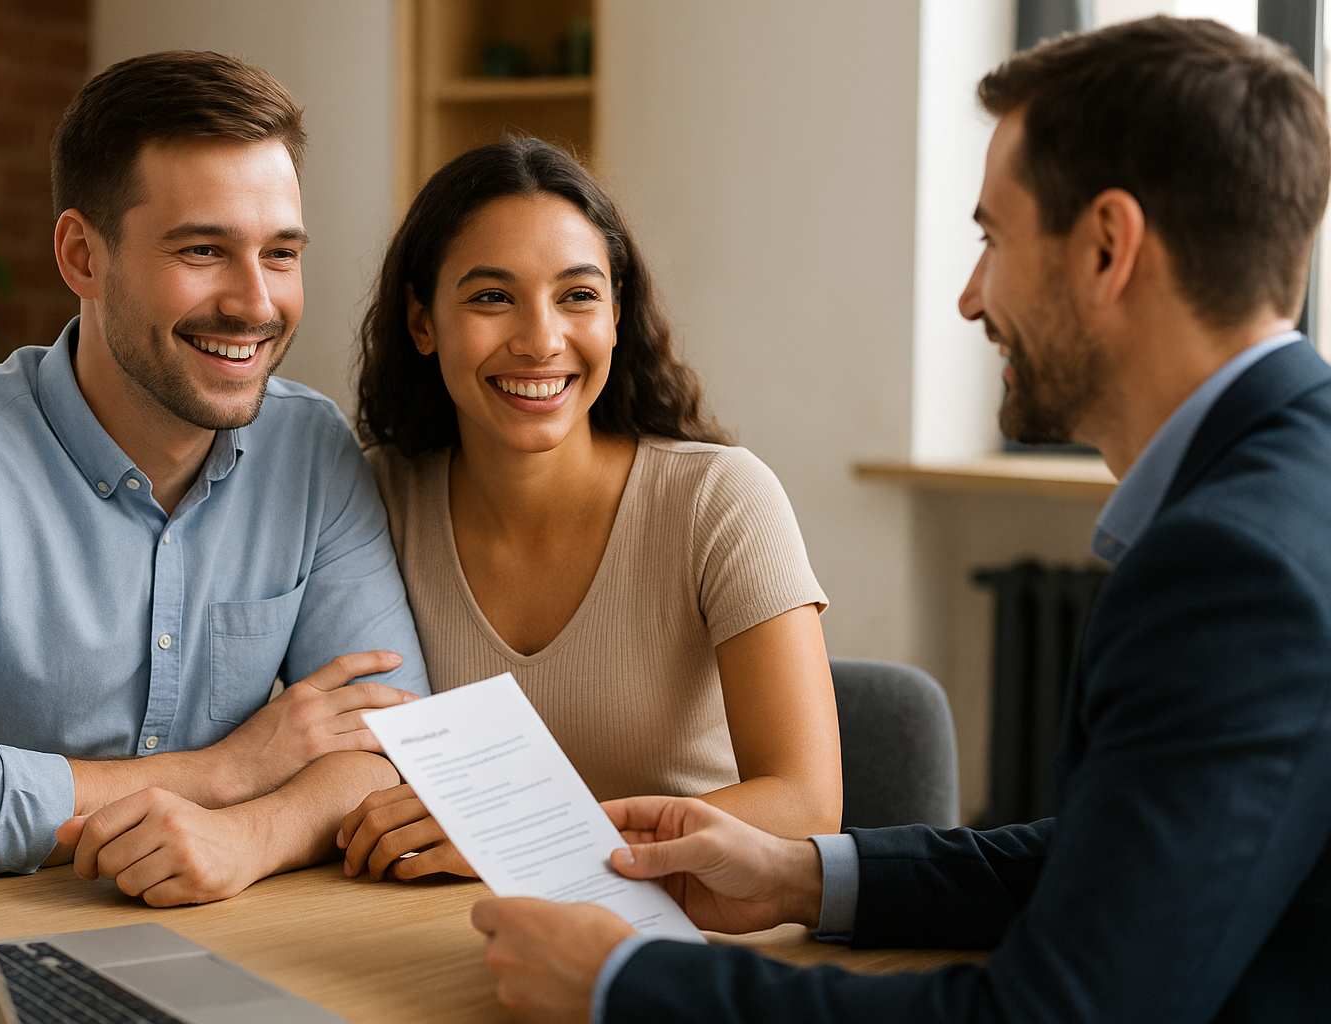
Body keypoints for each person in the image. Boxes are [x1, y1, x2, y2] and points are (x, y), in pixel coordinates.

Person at [470, 17, 1331, 1023]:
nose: (971, 298)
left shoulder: (1236, 568)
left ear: (1107, 248)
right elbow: (1130, 866)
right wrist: (800, 877)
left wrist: (625, 984)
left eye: (991, 239)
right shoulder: (1286, 491)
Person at [0, 51, 429, 909]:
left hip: (219, 923)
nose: (255, 303)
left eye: (280, 253)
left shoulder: (309, 445)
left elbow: (396, 744)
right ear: (81, 257)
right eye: (203, 249)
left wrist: (251, 834)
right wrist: (227, 772)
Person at [336, 138, 842, 882]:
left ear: (615, 314)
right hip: (442, 927)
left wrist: (524, 832)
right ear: (422, 321)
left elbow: (805, 805)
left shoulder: (720, 499)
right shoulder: (371, 501)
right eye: (490, 297)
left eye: (577, 295)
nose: (541, 341)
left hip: (688, 930)